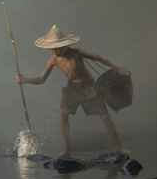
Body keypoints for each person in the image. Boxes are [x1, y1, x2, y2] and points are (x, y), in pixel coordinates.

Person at [16, 25, 131, 156]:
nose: (55, 50)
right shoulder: (53, 60)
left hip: (89, 88)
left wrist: (118, 69)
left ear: (65, 45)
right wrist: (25, 80)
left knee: (105, 117)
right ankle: (67, 149)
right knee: (63, 114)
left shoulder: (77, 53)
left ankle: (119, 147)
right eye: (53, 48)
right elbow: (41, 79)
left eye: (58, 47)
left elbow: (99, 57)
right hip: (72, 89)